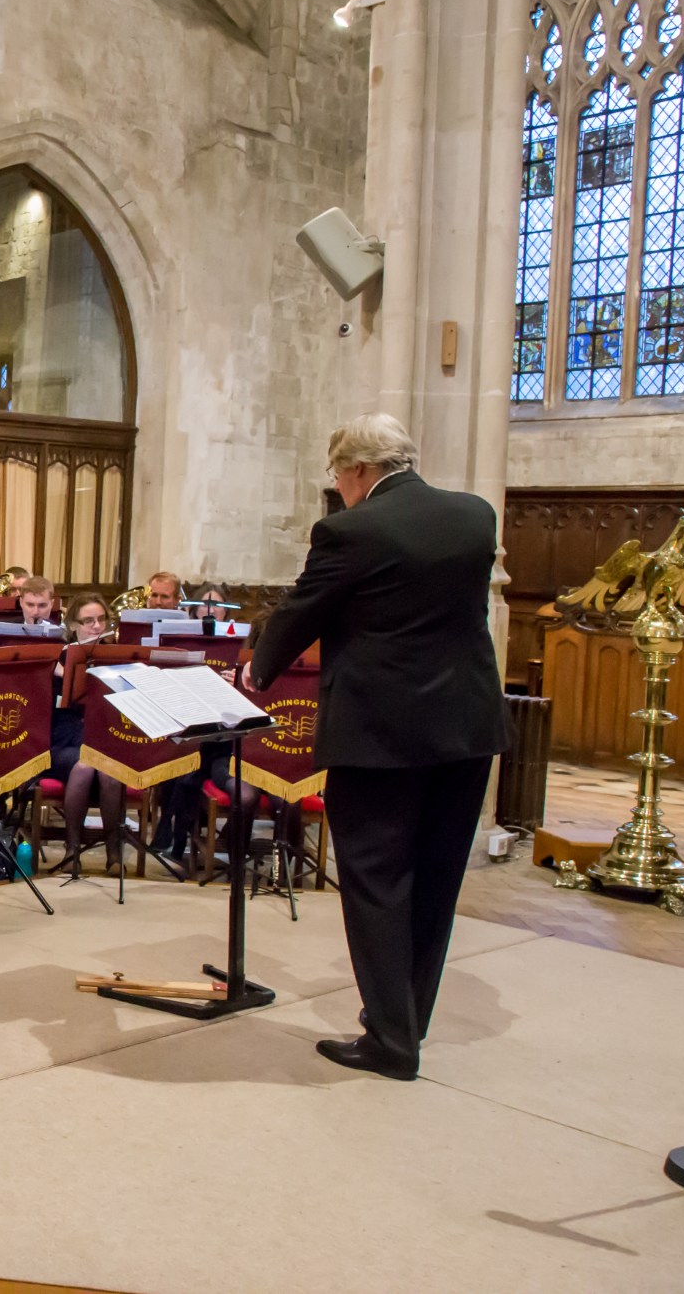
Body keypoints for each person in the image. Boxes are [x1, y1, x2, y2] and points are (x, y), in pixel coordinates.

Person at [247, 413, 511, 1082]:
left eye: (338, 476)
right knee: (436, 878)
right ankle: (407, 1020)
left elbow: (304, 608)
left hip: (379, 735)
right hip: (466, 729)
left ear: (359, 470)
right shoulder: (475, 516)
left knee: (376, 879)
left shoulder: (351, 530)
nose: (338, 489)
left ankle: (390, 1041)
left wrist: (258, 668)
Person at [55, 592, 127, 874]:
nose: (97, 626)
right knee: (84, 767)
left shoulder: (117, 657)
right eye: (88, 621)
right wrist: (63, 676)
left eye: (101, 619)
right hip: (66, 740)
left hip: (106, 738)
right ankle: (72, 848)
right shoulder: (59, 657)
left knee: (110, 770)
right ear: (73, 625)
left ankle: (114, 851)